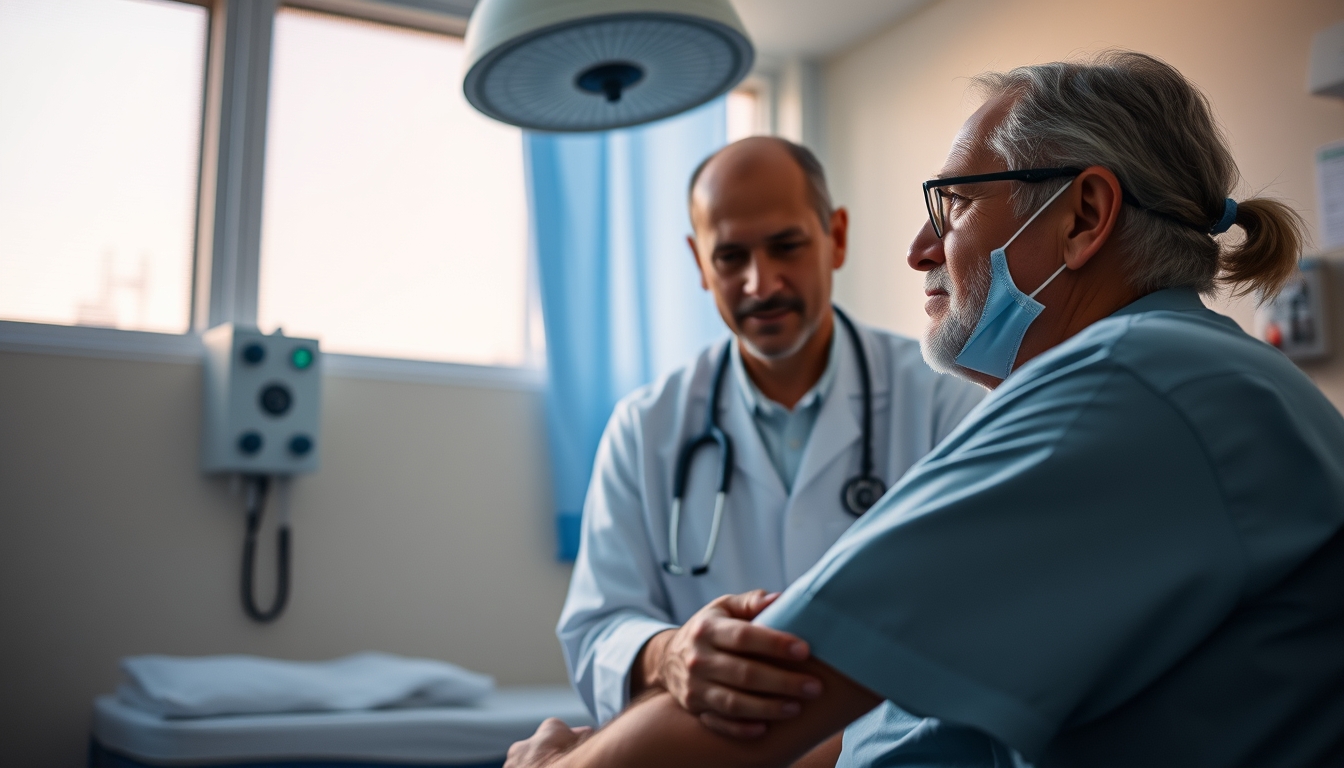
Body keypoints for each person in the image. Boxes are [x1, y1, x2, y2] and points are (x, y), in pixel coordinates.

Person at [510, 50, 1344, 768]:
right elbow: (922, 718)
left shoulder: (1122, 387)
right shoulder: (1191, 374)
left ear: (1084, 217)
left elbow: (786, 684)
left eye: (954, 203)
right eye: (731, 256)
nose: (918, 249)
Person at [556, 136, 986, 746]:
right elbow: (597, 628)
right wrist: (671, 652)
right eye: (731, 256)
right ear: (700, 263)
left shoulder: (945, 403)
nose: (761, 284)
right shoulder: (644, 427)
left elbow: (974, 618)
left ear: (836, 237)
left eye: (786, 246)